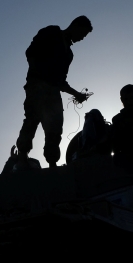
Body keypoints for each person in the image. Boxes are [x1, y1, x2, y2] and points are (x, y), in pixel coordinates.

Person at [15, 16, 93, 167]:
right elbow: (30, 52)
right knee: (32, 121)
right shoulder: (52, 32)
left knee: (55, 128)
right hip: (37, 86)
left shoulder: (69, 55)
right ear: (75, 26)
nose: (81, 39)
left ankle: (52, 163)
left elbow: (61, 81)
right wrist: (40, 75)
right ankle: (22, 158)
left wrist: (76, 94)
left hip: (53, 92)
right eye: (82, 34)